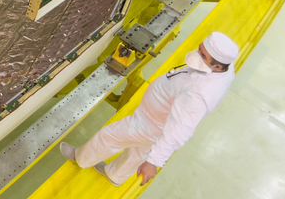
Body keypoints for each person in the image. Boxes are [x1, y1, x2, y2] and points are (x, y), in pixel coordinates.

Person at [60, 31, 239, 186]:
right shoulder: (225, 69)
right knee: (138, 152)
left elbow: (179, 130)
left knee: (109, 136)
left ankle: (81, 158)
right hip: (158, 121)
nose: (197, 55)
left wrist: (153, 162)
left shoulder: (199, 94)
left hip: (151, 123)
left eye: (203, 56)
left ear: (216, 66)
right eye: (200, 49)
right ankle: (115, 175)